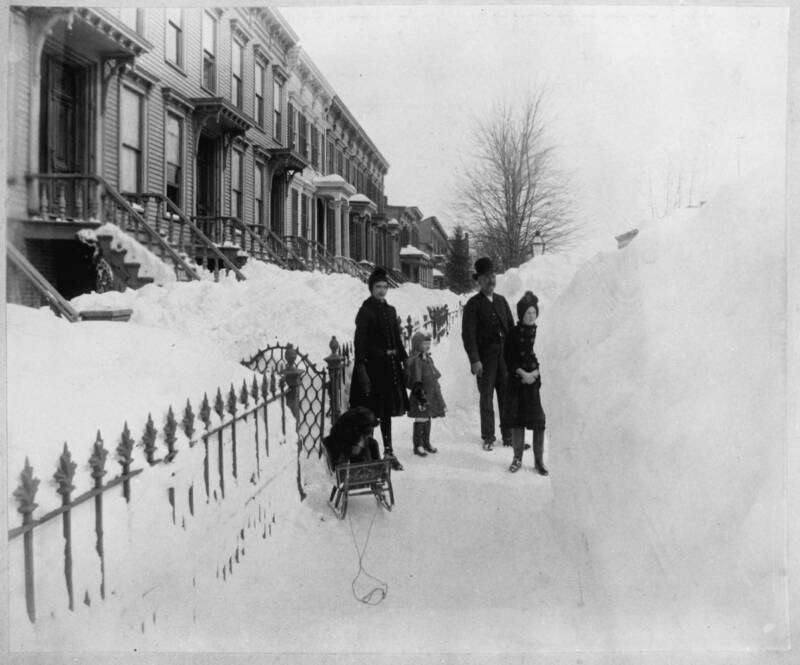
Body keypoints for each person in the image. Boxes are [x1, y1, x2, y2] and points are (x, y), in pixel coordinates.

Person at [349, 267, 409, 471]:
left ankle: (389, 452)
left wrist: (405, 359)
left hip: (389, 370)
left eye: (384, 287)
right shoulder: (365, 311)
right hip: (373, 370)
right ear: (371, 288)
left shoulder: (390, 311)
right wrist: (361, 369)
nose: (382, 291)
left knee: (386, 413)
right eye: (378, 287)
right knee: (370, 414)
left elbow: (397, 339)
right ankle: (369, 455)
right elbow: (360, 343)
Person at [461, 257, 515, 451]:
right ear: (479, 281)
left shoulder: (501, 301)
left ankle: (508, 435)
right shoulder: (473, 305)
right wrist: (475, 360)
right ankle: (488, 436)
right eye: (485, 278)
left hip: (504, 358)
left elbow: (510, 327)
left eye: (492, 276)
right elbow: (468, 335)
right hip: (485, 359)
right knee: (486, 397)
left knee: (506, 396)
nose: (490, 281)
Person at [502, 291, 548, 475]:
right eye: (527, 313)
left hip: (535, 384)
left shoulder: (541, 333)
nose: (531, 316)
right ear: (521, 314)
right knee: (517, 420)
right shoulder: (512, 333)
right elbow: (508, 358)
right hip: (517, 383)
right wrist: (522, 373)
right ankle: (517, 458)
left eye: (534, 313)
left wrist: (535, 374)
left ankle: (539, 461)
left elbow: (547, 356)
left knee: (539, 421)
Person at [405, 331, 446, 457]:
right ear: (417, 345)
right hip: (421, 394)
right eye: (424, 344)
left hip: (430, 393)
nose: (428, 346)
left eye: (429, 344)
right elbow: (416, 377)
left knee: (427, 417)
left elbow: (434, 375)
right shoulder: (416, 360)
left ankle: (426, 442)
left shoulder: (427, 358)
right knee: (420, 418)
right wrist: (419, 392)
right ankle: (418, 445)